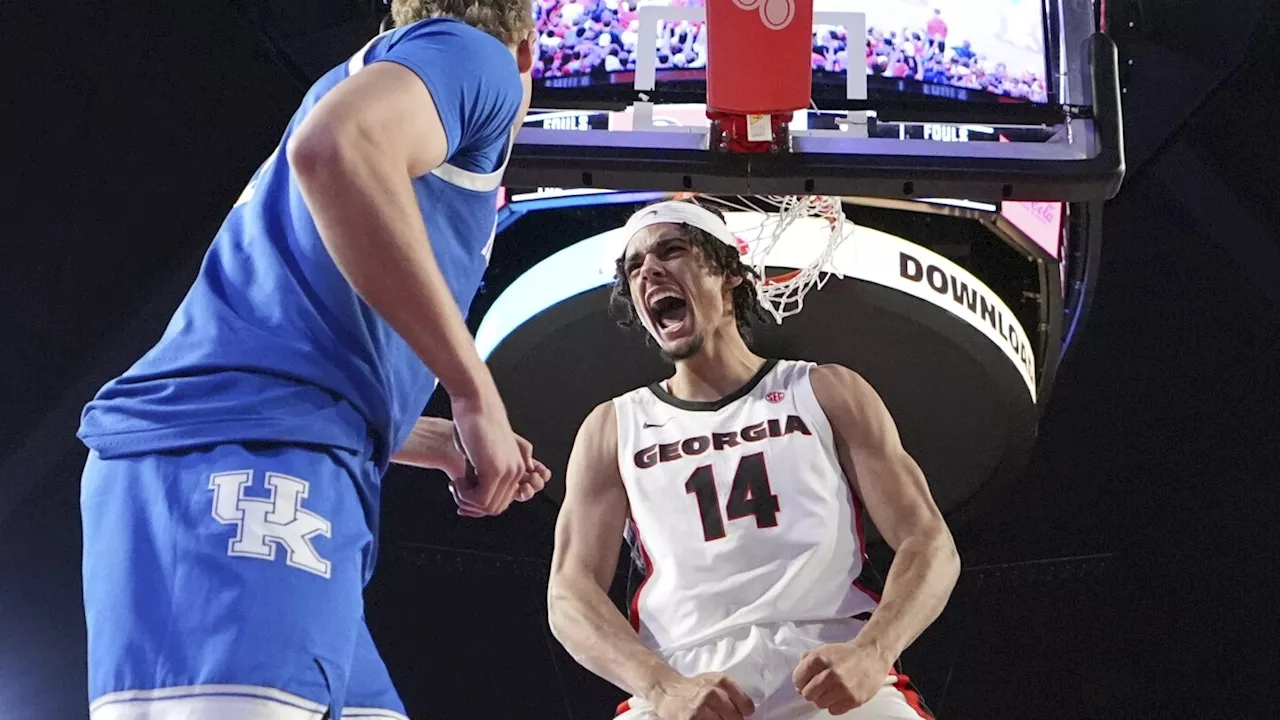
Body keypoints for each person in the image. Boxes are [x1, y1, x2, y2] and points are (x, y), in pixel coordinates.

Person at [76, 0, 550, 717]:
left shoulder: (366, 93)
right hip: (237, 459)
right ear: (528, 50)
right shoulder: (474, 57)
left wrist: (433, 441)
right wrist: (474, 392)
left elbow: (292, 349)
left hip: (272, 452)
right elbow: (333, 148)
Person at [547, 199, 960, 719]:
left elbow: (930, 543)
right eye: (634, 268)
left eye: (671, 250)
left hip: (828, 667)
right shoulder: (612, 426)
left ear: (729, 274)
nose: (649, 269)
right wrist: (659, 686)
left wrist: (872, 653)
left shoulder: (824, 389)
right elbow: (569, 594)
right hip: (685, 681)